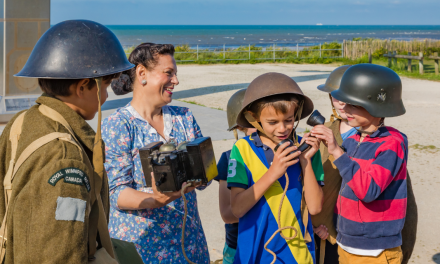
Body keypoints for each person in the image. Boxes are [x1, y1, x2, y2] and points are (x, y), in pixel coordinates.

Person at [0, 20, 134, 263]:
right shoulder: (66, 162)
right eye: (104, 85)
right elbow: (59, 254)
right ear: (83, 87)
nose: (105, 95)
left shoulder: (23, 121)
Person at [102, 43, 210, 263]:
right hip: (142, 250)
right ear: (142, 73)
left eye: (176, 74)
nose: (176, 81)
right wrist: (156, 200)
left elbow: (205, 177)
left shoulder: (184, 117)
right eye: (168, 73)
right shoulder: (117, 126)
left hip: (189, 245)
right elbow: (115, 193)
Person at [313, 65, 418, 264]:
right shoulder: (354, 140)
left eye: (353, 105)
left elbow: (368, 190)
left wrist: (336, 151)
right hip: (347, 244)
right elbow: (341, 192)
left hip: (375, 251)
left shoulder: (391, 144)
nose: (345, 108)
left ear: (377, 106)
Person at [227, 72, 325, 263]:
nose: (282, 129)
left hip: (297, 254)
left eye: (288, 120)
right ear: (253, 118)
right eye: (272, 122)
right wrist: (273, 173)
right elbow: (237, 209)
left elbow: (314, 207)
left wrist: (305, 162)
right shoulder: (242, 150)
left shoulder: (307, 149)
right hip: (255, 252)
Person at [312, 65, 356, 264]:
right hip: (323, 230)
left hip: (357, 232)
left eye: (349, 98)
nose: (342, 104)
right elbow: (313, 179)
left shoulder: (377, 138)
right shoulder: (324, 130)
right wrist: (312, 223)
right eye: (337, 97)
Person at [215, 89, 256, 264]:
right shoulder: (229, 157)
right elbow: (227, 214)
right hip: (238, 245)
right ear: (239, 126)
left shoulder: (282, 155)